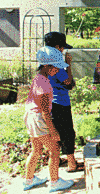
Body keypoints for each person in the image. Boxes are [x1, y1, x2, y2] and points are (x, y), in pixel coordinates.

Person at [23, 46, 74, 192]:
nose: (58, 70)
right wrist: (53, 131)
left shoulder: (38, 79)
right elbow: (45, 112)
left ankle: (29, 180)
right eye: (56, 67)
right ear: (47, 66)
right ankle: (54, 181)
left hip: (30, 117)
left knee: (36, 150)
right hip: (39, 119)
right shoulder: (45, 84)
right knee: (54, 150)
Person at [44, 32, 82, 173]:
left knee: (56, 133)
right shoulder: (57, 64)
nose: (63, 51)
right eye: (62, 48)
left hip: (50, 102)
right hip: (60, 102)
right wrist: (69, 65)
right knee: (67, 132)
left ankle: (58, 161)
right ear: (57, 47)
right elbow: (69, 83)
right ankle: (72, 164)